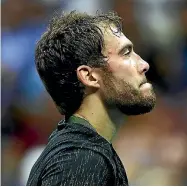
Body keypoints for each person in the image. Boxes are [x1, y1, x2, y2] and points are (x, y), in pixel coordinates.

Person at [27, 11, 156, 186]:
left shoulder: (83, 152)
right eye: (126, 53)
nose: (144, 65)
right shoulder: (81, 160)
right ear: (90, 77)